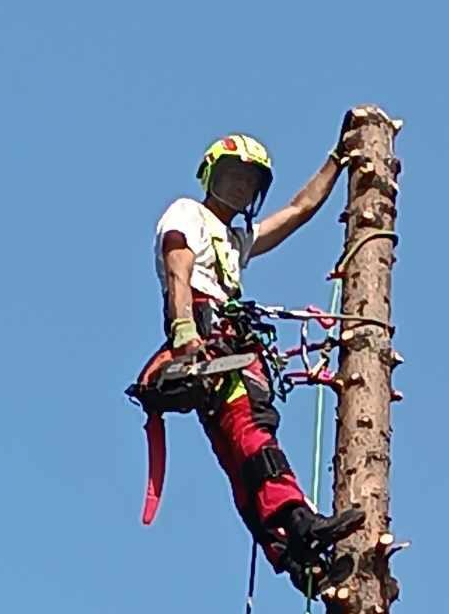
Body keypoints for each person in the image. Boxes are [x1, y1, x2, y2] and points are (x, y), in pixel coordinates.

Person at [151, 126, 362, 586]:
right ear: (211, 175)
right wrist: (185, 329)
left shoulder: (234, 240)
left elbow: (299, 209)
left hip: (227, 341)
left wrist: (336, 160)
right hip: (210, 336)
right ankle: (298, 517)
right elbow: (177, 265)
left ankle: (291, 557)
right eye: (233, 175)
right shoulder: (187, 212)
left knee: (242, 448)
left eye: (250, 181)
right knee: (248, 429)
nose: (241, 186)